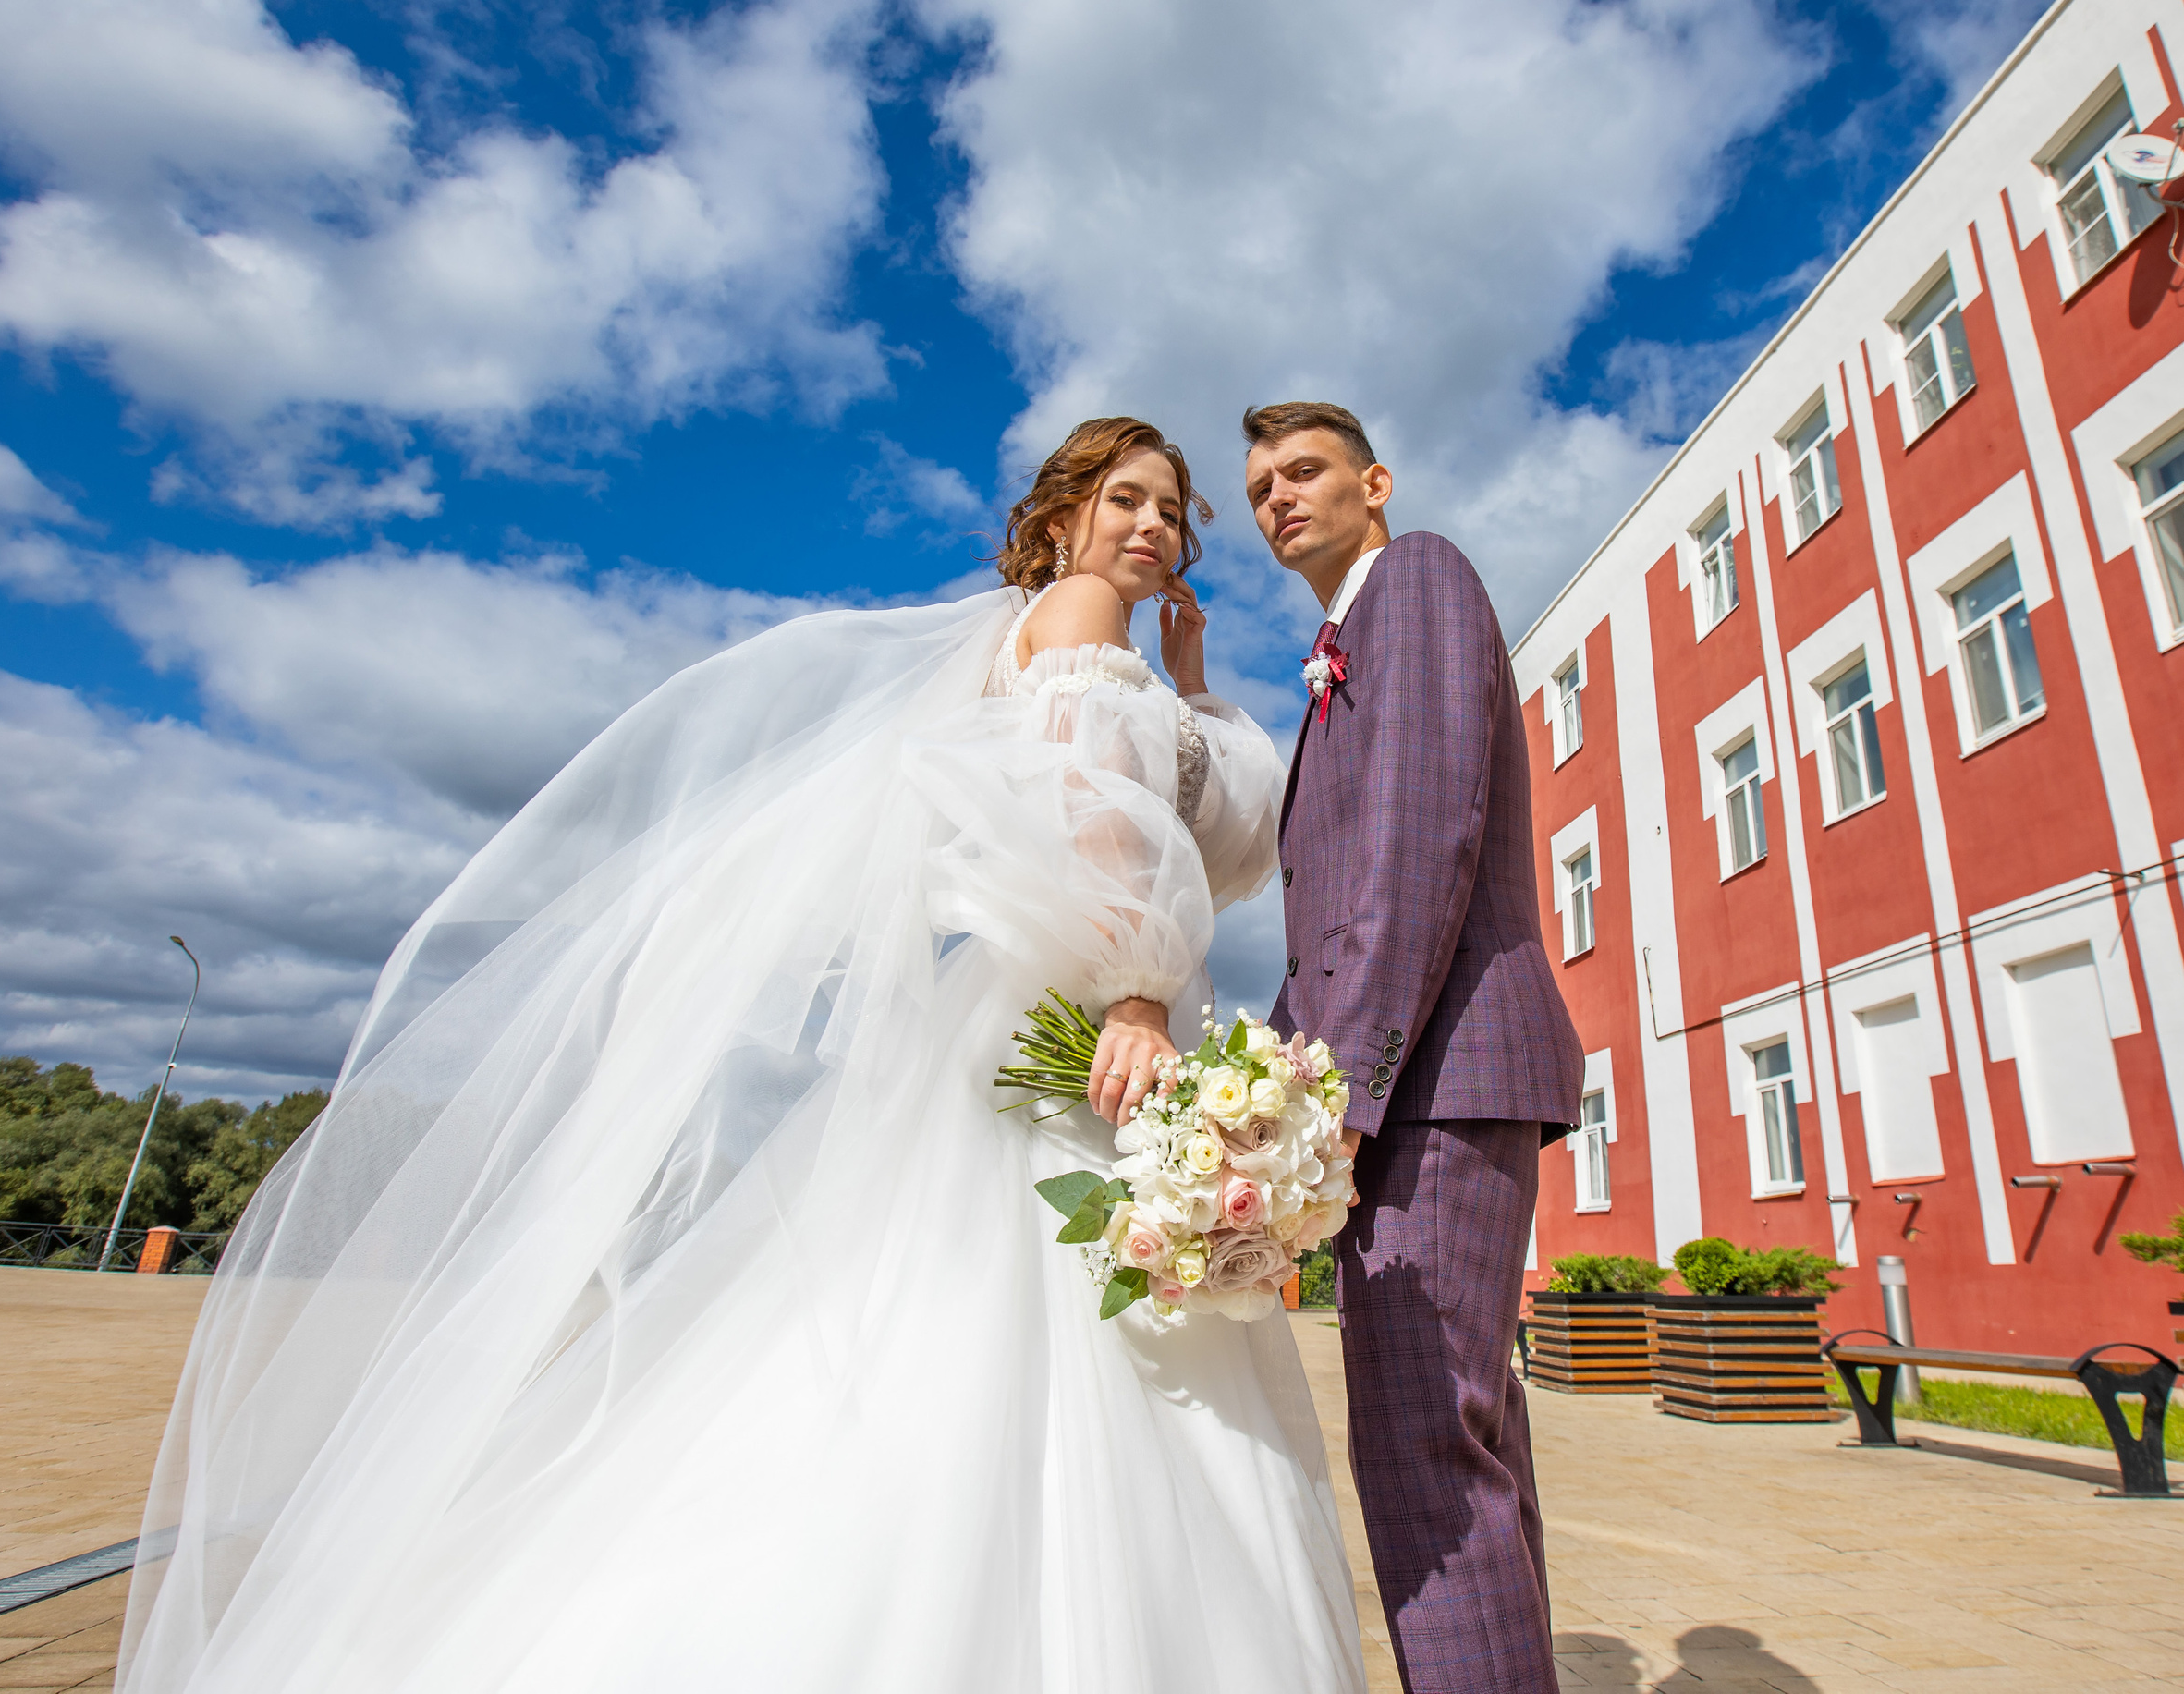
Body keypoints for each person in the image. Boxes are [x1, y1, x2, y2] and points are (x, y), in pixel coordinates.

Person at [114, 418, 1366, 1694]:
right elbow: (1092, 820)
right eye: (1127, 502)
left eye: (1174, 511)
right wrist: (1141, 994)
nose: (1155, 528)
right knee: (1060, 1337)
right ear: (1060, 525)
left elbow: (1199, 835)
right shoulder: (1084, 607)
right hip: (1095, 1015)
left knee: (969, 1325)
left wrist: (1193, 683)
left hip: (1059, 1008)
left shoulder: (1080, 640)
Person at [1249, 401, 1584, 1694]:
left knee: (1423, 1449)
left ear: (1375, 482)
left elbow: (1420, 842)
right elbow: (1332, 916)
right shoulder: (1347, 642)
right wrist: (1262, 1093)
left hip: (1434, 1082)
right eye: (1263, 482)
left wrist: (1341, 1092)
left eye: (1308, 470)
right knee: (1459, 1440)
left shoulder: (1422, 578)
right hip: (1410, 1082)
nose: (1281, 495)